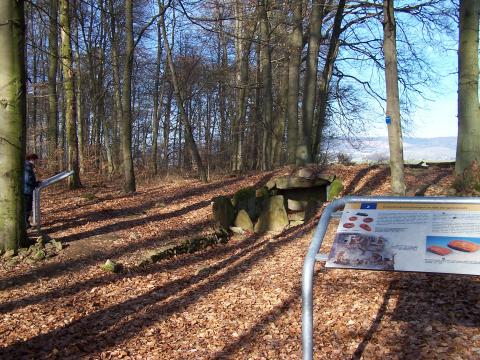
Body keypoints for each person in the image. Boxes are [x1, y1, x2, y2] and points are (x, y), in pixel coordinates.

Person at [24, 154, 41, 229]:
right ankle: (26, 224)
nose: (36, 161)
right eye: (35, 160)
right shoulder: (27, 167)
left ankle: (26, 223)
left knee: (27, 207)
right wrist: (35, 183)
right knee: (27, 207)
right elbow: (28, 180)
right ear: (32, 159)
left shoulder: (27, 166)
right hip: (27, 191)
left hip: (27, 190)